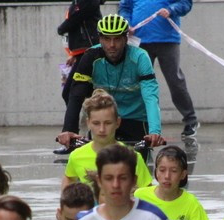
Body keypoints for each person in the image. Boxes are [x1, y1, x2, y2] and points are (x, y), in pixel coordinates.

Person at [58, 15, 164, 151]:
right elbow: (76, 94)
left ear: (126, 38)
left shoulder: (140, 57)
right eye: (107, 39)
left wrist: (155, 131)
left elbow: (150, 97)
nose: (112, 45)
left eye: (117, 39)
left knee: (137, 168)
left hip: (135, 118)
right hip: (104, 119)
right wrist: (68, 129)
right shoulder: (90, 56)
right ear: (100, 39)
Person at [118, 0, 199, 138]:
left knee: (175, 80)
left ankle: (191, 121)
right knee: (138, 82)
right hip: (140, 40)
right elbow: (125, 7)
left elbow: (186, 0)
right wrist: (126, 23)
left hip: (167, 39)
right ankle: (137, 122)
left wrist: (172, 9)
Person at [61, 90, 153, 190]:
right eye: (96, 123)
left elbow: (147, 195)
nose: (102, 129)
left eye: (108, 123)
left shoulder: (133, 158)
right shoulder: (76, 157)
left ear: (118, 122)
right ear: (88, 123)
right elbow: (69, 179)